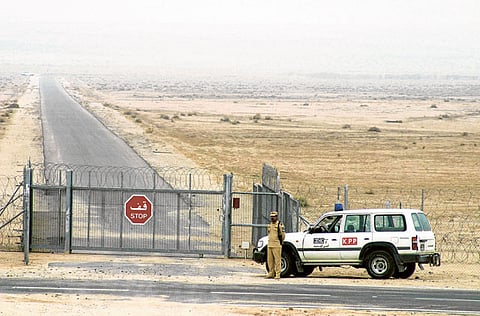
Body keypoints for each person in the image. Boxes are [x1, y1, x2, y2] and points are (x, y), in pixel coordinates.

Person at [266, 211, 285, 279]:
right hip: (270, 244)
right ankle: (271, 272)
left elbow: (282, 235)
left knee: (277, 260)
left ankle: (277, 274)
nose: (272, 218)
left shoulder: (279, 225)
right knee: (270, 260)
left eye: (274, 217)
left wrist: (280, 242)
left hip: (276, 244)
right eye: (271, 217)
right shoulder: (270, 225)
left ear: (276, 217)